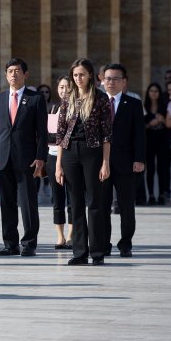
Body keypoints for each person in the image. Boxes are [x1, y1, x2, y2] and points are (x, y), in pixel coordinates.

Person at [0, 58, 47, 257]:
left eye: (17, 70)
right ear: (6, 75)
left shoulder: (35, 99)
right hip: (2, 157)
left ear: (25, 74)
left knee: (28, 203)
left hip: (26, 158)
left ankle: (29, 243)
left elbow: (42, 133)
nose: (13, 74)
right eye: (10, 71)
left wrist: (40, 157)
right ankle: (10, 243)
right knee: (7, 202)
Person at [55, 58, 112, 266]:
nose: (78, 78)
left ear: (90, 75)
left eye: (82, 74)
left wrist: (105, 162)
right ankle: (79, 252)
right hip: (70, 153)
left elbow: (107, 134)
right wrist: (59, 164)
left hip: (93, 151)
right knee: (75, 203)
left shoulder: (100, 98)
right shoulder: (68, 98)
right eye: (75, 75)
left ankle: (97, 252)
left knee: (95, 203)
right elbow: (61, 134)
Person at [100, 64, 145, 258]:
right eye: (107, 78)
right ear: (102, 81)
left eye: (115, 79)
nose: (110, 82)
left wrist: (139, 159)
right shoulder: (97, 102)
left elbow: (140, 135)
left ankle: (126, 242)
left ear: (124, 82)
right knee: (102, 205)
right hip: (102, 163)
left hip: (126, 163)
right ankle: (104, 242)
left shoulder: (133, 104)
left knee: (126, 206)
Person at [46, 76, 73, 249]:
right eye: (61, 87)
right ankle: (59, 235)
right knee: (57, 198)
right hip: (52, 156)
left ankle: (71, 235)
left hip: (71, 157)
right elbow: (47, 136)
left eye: (67, 87)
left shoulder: (76, 109)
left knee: (72, 198)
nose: (64, 90)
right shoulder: (52, 108)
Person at [143, 82, 171, 205]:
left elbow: (169, 125)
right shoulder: (144, 107)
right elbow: (141, 127)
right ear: (148, 93)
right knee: (150, 169)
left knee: (162, 169)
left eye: (156, 91)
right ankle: (151, 195)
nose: (154, 93)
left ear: (159, 93)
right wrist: (151, 124)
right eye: (151, 91)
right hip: (149, 142)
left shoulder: (165, 107)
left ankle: (161, 194)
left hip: (163, 142)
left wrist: (163, 120)